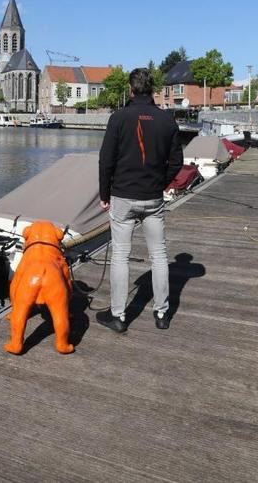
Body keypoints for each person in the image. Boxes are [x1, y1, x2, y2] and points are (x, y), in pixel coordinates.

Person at [97, 67, 183, 333]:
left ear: (131, 89)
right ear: (153, 89)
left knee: (121, 256)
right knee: (159, 256)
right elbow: (177, 162)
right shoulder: (167, 120)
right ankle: (161, 313)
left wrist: (104, 194)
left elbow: (106, 161)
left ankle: (119, 317)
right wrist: (160, 183)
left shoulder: (119, 118)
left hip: (123, 196)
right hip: (152, 198)